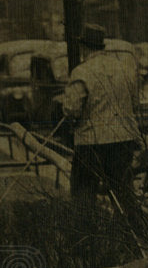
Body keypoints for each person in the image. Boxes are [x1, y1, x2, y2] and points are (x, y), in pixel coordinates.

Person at [60, 24, 142, 219]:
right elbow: (135, 103)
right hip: (123, 139)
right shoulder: (124, 68)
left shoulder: (82, 72)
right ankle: (134, 238)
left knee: (83, 192)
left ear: (84, 47)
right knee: (124, 191)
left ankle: (86, 238)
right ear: (101, 46)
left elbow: (71, 109)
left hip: (92, 142)